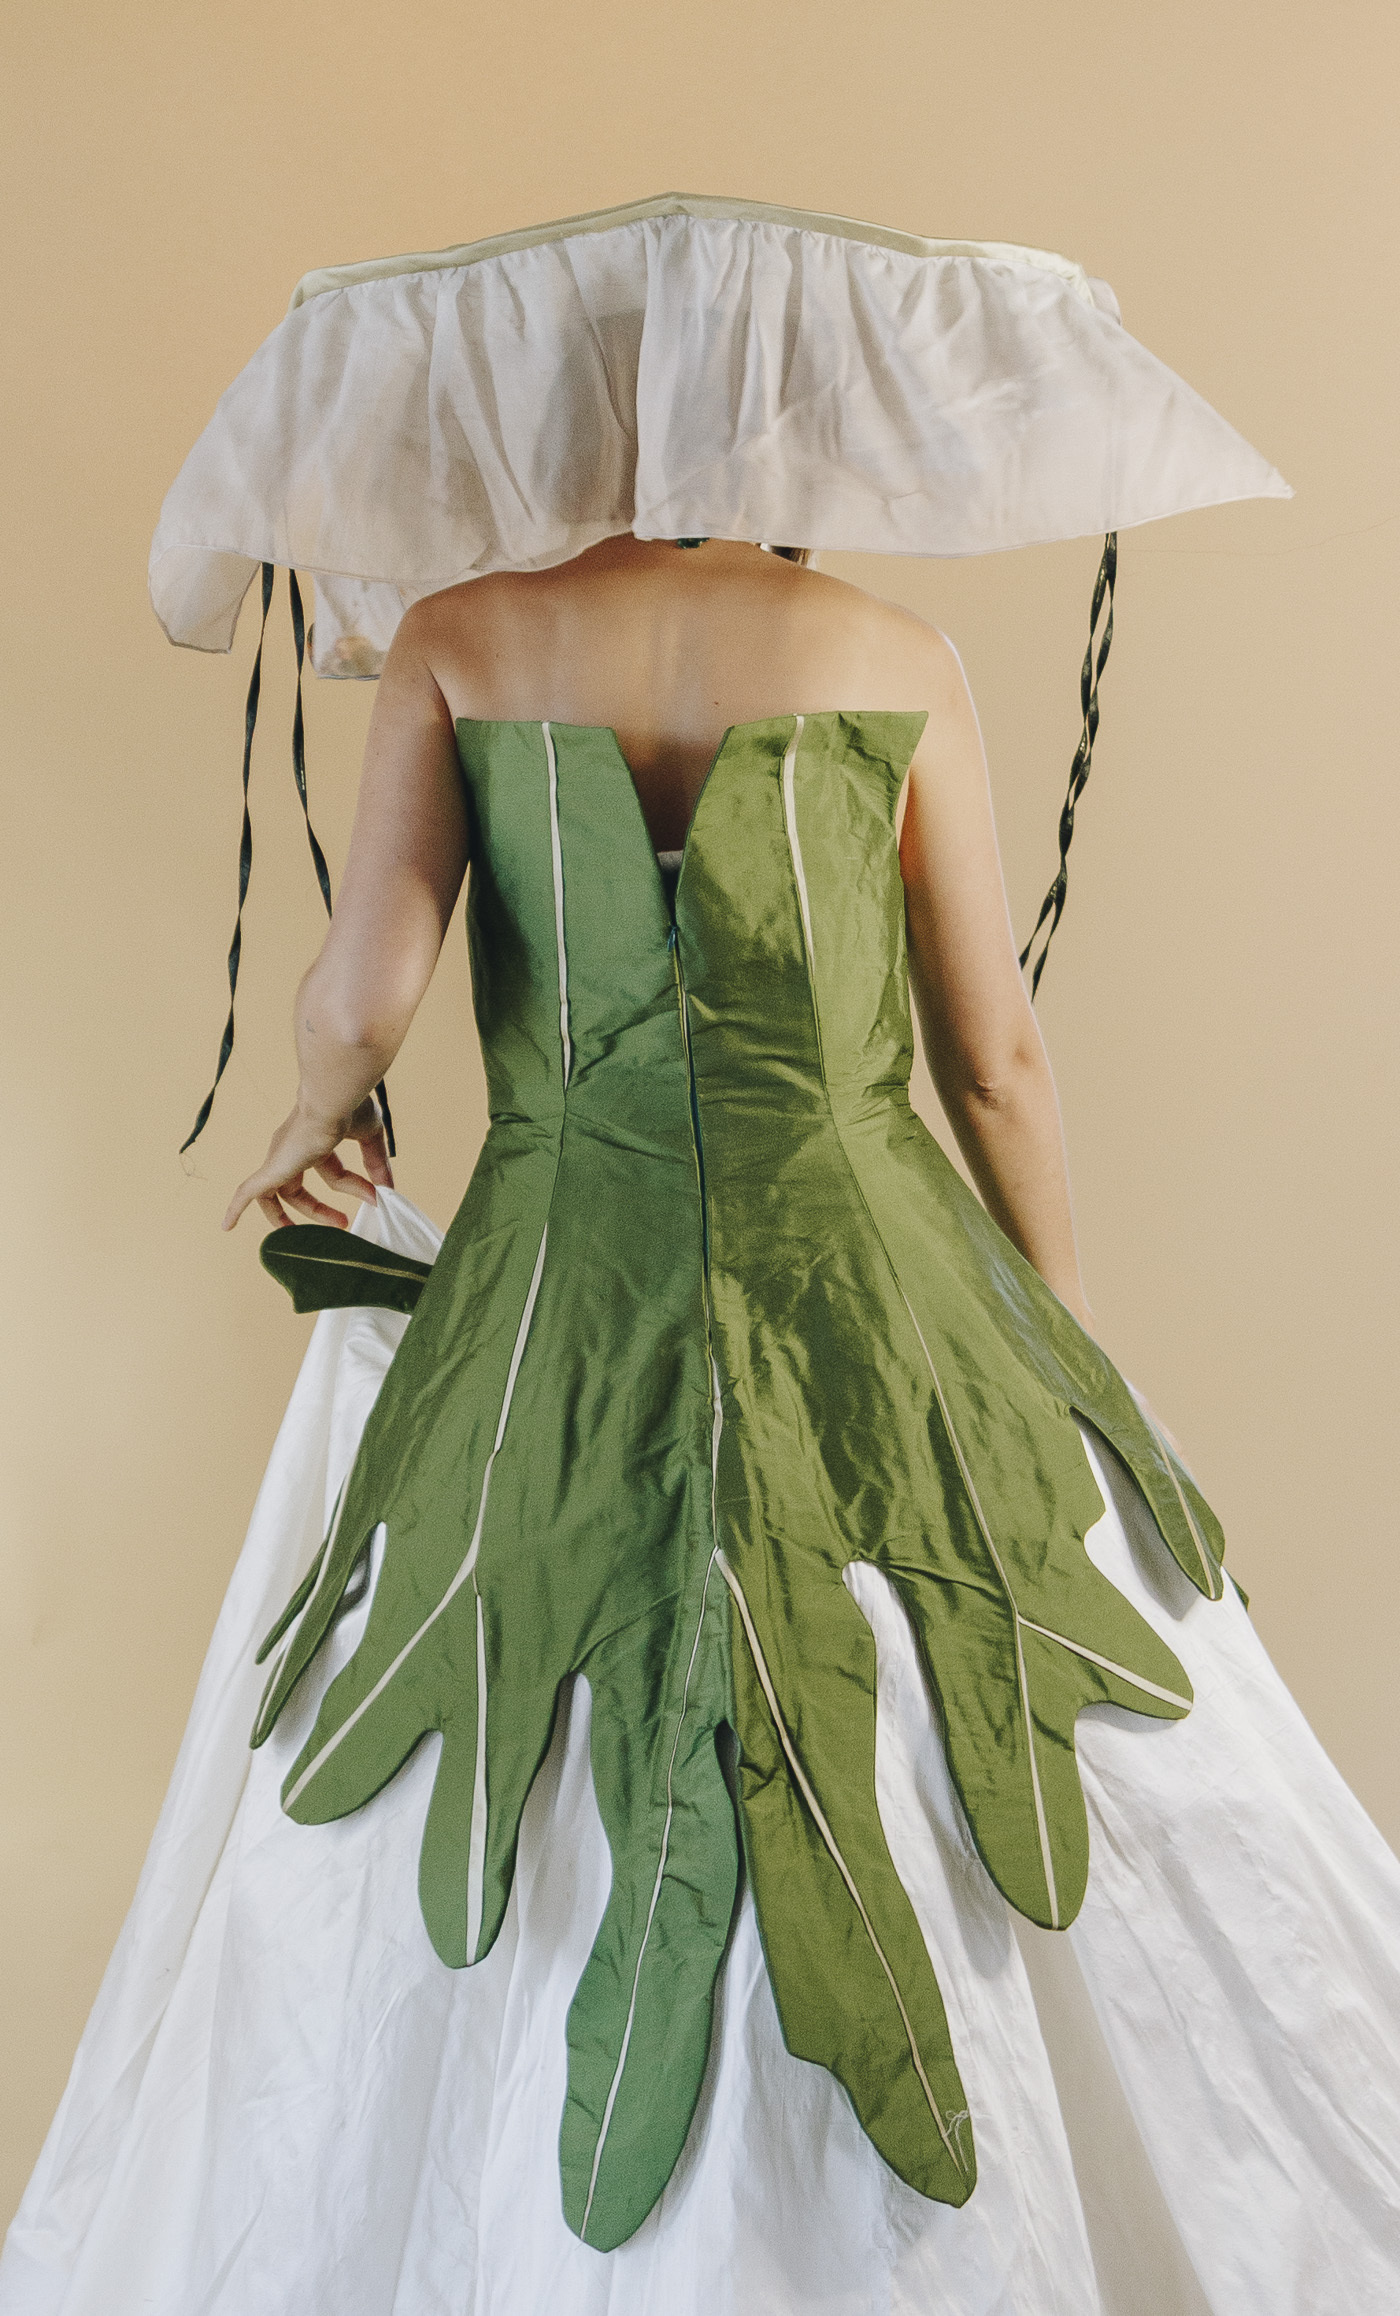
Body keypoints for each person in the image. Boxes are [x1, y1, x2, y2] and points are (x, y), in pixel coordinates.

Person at [4, 536, 1398, 2316]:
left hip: (558, 1313)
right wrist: (1057, 1360)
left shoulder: (463, 639)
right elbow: (996, 1066)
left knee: (484, 1747)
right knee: (968, 1718)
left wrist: (314, 1107)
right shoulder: (895, 651)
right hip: (870, 1285)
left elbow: (365, 996)